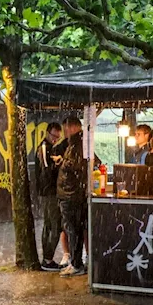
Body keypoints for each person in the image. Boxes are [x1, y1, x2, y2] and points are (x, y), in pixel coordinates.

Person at [56, 117, 89, 277]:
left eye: (66, 128)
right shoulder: (75, 144)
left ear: (73, 127)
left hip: (72, 194)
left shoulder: (78, 145)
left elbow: (77, 166)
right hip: (70, 193)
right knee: (73, 229)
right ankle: (76, 262)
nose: (64, 132)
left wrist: (64, 162)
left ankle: (77, 263)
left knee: (74, 229)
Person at [34, 122, 64, 270]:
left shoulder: (49, 148)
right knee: (54, 225)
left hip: (49, 192)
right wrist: (58, 163)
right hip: (49, 192)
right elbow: (46, 171)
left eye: (58, 137)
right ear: (47, 133)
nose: (55, 139)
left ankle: (47, 258)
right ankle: (47, 258)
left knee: (49, 225)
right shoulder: (44, 148)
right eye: (53, 136)